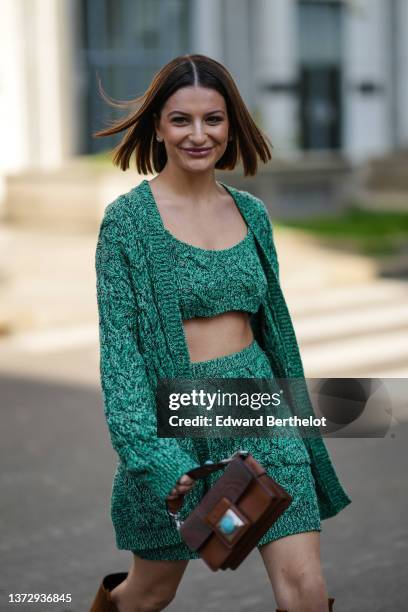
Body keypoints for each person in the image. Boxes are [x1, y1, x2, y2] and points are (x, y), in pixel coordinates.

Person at [89, 54, 351, 612]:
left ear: (232, 125)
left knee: (305, 588)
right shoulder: (127, 224)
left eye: (213, 118)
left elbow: (274, 330)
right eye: (181, 119)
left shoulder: (253, 214)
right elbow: (121, 357)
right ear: (157, 126)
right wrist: (155, 458)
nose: (198, 134)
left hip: (260, 410)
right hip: (176, 425)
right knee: (149, 594)